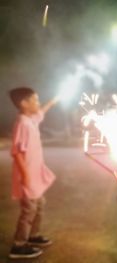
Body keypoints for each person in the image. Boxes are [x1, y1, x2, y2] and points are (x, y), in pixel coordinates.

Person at [8, 87, 57, 259]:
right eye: (35, 100)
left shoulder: (30, 119)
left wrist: (52, 101)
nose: (39, 103)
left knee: (39, 206)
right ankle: (19, 245)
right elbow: (17, 152)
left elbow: (41, 112)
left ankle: (33, 236)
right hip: (27, 176)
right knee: (28, 210)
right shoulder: (22, 123)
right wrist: (26, 177)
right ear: (24, 103)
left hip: (34, 175)